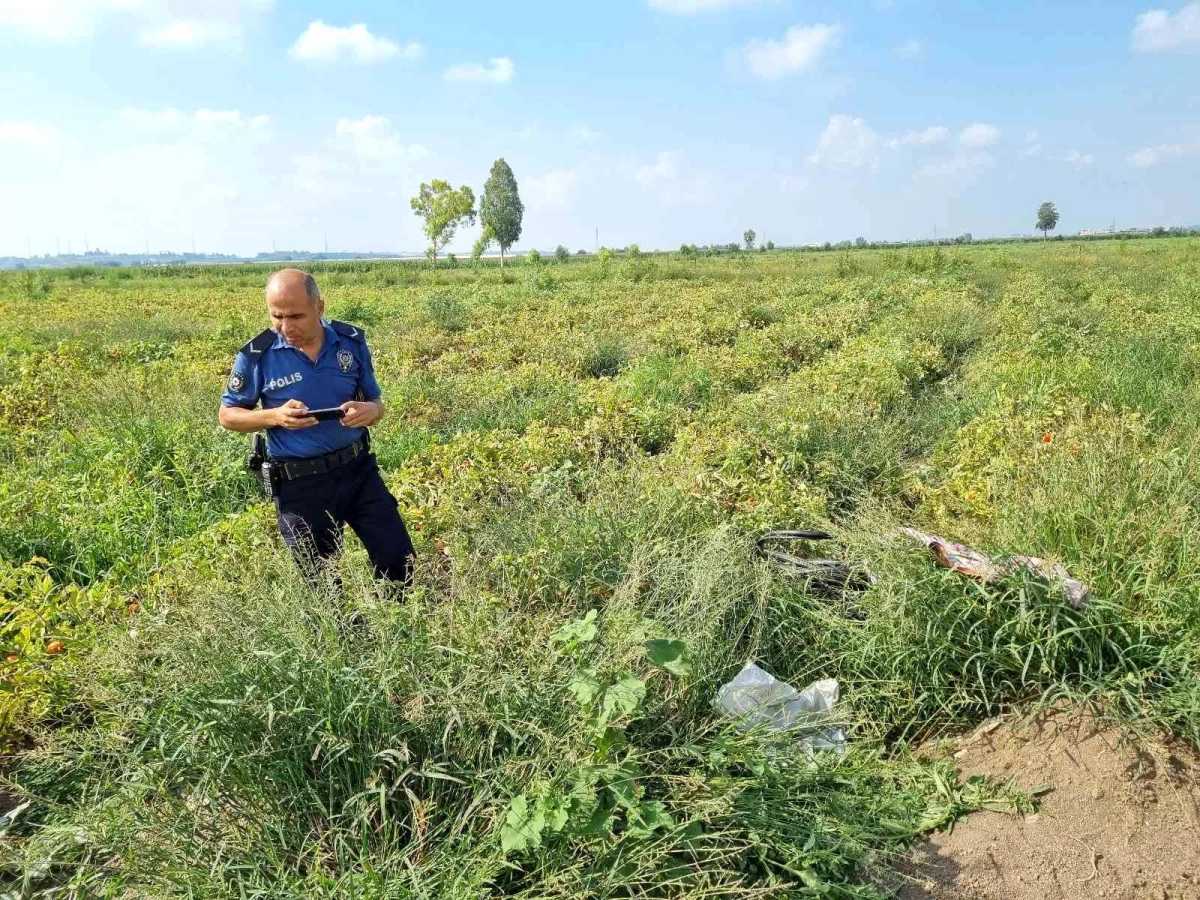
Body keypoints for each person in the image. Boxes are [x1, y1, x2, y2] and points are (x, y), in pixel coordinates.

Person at [218, 268, 414, 592]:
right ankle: (344, 639)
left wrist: (371, 411)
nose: (285, 327)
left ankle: (394, 626)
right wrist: (275, 416)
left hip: (357, 471)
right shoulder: (257, 355)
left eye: (295, 316)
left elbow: (376, 403)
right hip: (301, 484)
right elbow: (228, 415)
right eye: (277, 316)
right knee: (321, 581)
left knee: (397, 557)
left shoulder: (350, 341)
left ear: (319, 308)